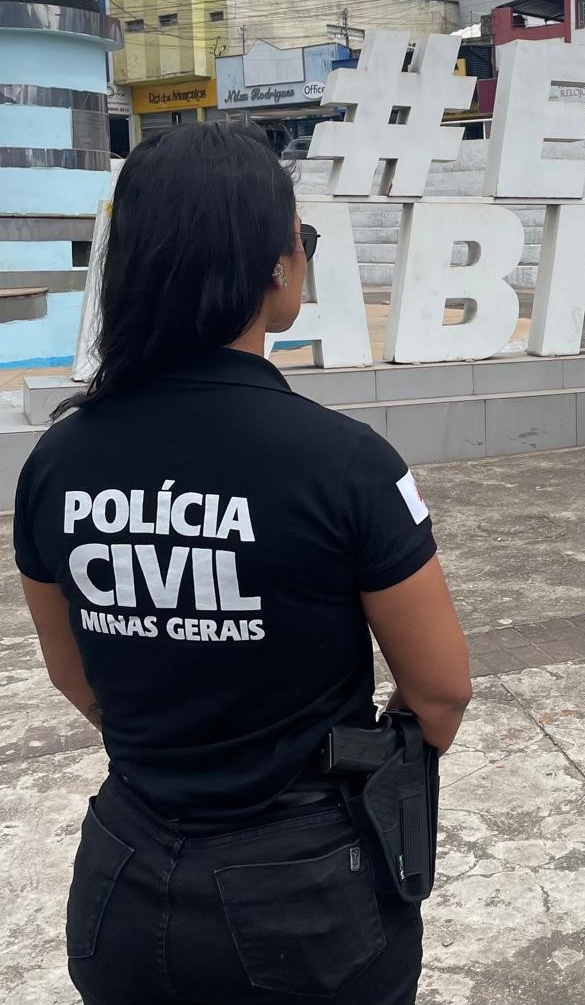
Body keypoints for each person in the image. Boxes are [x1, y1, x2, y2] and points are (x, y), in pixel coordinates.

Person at [12, 122, 472, 1005]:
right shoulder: (344, 464)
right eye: (299, 238)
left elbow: (73, 674)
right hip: (305, 903)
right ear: (273, 267)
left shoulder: (57, 464)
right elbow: (442, 687)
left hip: (122, 884)